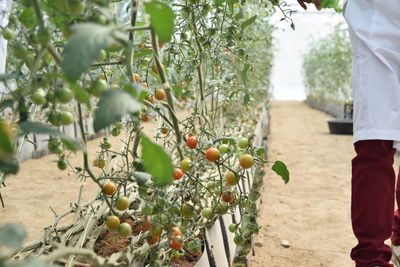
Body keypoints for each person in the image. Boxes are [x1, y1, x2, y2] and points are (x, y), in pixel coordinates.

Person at [298, 0, 400, 266]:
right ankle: (375, 255)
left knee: (375, 141)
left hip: (378, 17)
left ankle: (378, 251)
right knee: (376, 138)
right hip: (379, 16)